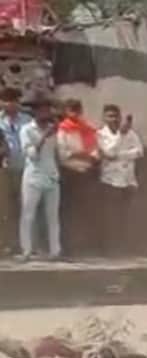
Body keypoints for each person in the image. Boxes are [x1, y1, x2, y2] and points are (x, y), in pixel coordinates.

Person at [17, 98, 60, 261]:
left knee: (52, 215)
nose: (45, 113)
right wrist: (44, 137)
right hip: (33, 176)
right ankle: (26, 250)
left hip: (51, 176)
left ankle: (55, 251)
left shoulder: (53, 130)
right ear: (34, 112)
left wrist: (52, 133)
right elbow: (32, 155)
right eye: (42, 110)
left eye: (47, 110)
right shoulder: (26, 130)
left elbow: (56, 153)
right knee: (28, 215)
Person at [97, 104, 143, 256]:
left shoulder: (131, 133)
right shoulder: (100, 134)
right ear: (104, 118)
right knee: (111, 217)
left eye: (116, 116)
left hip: (128, 180)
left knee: (127, 216)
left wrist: (120, 155)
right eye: (110, 116)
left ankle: (125, 249)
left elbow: (139, 152)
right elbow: (109, 153)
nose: (113, 119)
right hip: (110, 181)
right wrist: (120, 136)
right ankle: (110, 250)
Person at [57, 99, 100, 256]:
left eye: (76, 110)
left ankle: (84, 245)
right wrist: (82, 154)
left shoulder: (87, 129)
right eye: (71, 110)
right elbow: (63, 155)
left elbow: (95, 152)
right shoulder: (63, 130)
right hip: (70, 174)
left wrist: (87, 156)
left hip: (86, 174)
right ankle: (68, 247)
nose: (74, 113)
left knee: (86, 211)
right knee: (69, 212)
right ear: (66, 112)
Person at [0, 88, 30, 253]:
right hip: (4, 170)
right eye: (5, 100)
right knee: (5, 209)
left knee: (25, 208)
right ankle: (7, 243)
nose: (9, 103)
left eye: (13, 100)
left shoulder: (27, 120)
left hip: (25, 168)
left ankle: (24, 244)